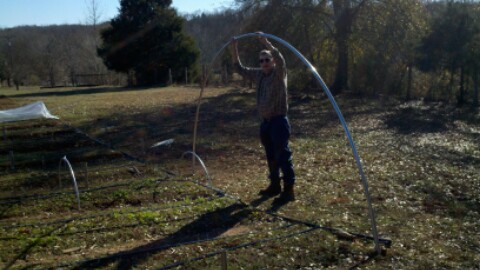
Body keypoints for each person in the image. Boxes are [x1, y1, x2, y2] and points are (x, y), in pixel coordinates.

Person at [230, 33, 296, 202]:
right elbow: (239, 69)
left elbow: (281, 59)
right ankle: (274, 185)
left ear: (272, 61)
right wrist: (234, 49)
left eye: (267, 60)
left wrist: (266, 42)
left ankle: (289, 190)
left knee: (282, 155)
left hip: (279, 121)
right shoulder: (259, 75)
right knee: (270, 155)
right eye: (261, 61)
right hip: (265, 123)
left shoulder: (279, 73)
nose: (264, 63)